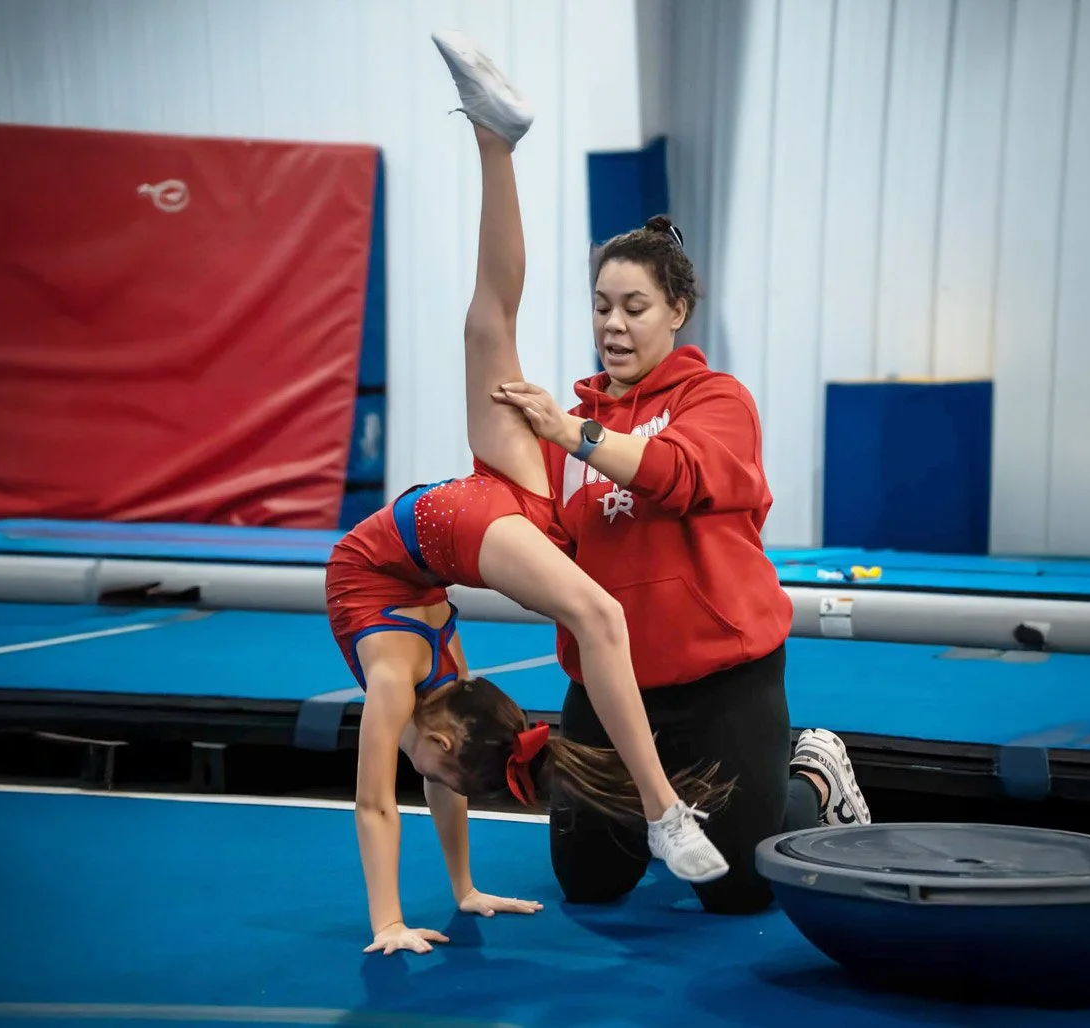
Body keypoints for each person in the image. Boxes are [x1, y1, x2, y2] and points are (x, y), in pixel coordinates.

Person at [325, 29, 733, 958]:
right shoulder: (439, 677)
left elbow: (373, 800)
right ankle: (493, 139)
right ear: (449, 735)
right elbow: (438, 778)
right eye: (607, 306)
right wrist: (463, 894)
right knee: (488, 325)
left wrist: (389, 921)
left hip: (452, 522)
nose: (434, 776)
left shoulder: (397, 680)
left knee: (597, 615)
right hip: (461, 518)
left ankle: (665, 811)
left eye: (633, 307)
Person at [492, 218, 873, 915]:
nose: (614, 324)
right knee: (590, 883)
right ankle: (661, 810)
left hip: (720, 682)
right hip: (612, 688)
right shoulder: (568, 433)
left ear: (676, 310)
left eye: (634, 307)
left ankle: (812, 774)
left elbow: (677, 473)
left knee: (740, 891)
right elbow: (541, 544)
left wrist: (571, 434)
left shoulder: (715, 401)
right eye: (602, 306)